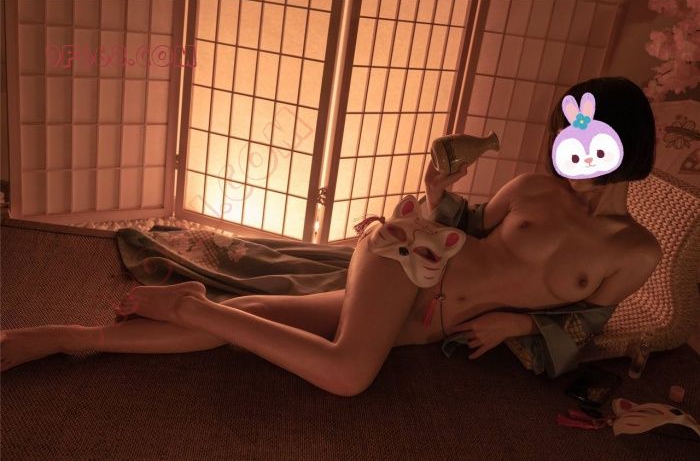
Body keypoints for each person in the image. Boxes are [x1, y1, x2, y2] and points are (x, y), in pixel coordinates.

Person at [0, 77, 661, 396]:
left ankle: (68, 337)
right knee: (348, 374)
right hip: (405, 262)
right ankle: (192, 305)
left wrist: (518, 324)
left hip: (429, 321)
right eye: (567, 138)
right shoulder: (533, 188)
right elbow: (464, 229)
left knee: (252, 316)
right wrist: (438, 193)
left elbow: (584, 326)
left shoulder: (634, 252)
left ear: (625, 145)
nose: (571, 154)